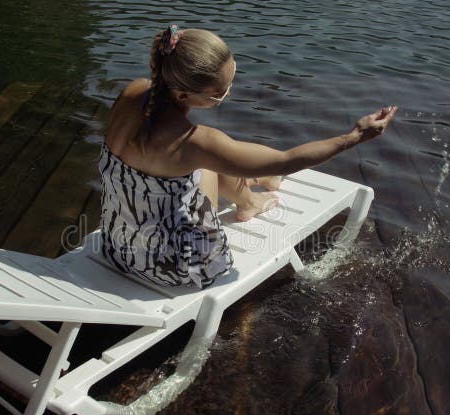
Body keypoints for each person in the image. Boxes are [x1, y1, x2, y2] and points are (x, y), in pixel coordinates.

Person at [99, 24, 397, 289]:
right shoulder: (195, 143)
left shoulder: (134, 91)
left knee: (215, 154)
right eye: (220, 93)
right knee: (212, 159)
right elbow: (286, 160)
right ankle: (250, 202)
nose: (227, 94)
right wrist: (355, 136)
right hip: (172, 266)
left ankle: (252, 187)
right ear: (184, 95)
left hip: (117, 246)